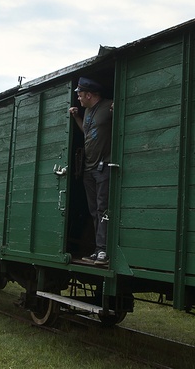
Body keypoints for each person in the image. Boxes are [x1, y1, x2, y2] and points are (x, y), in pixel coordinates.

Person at [68, 76, 113, 266]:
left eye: (79, 94)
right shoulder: (86, 112)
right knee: (94, 211)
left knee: (103, 209)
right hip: (89, 168)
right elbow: (87, 133)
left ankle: (104, 251)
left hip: (104, 166)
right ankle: (98, 249)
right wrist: (77, 117)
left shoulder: (109, 106)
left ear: (88, 94)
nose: (77, 97)